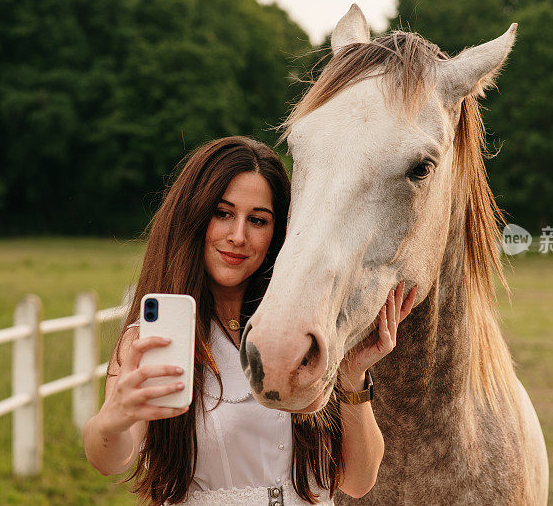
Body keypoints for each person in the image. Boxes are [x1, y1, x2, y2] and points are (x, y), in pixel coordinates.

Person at [82, 136, 415, 505]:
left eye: (258, 220)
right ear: (193, 217)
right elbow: (110, 459)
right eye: (223, 213)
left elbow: (358, 480)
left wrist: (353, 376)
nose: (238, 236)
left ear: (278, 234)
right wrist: (112, 420)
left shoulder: (304, 333)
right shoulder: (150, 342)